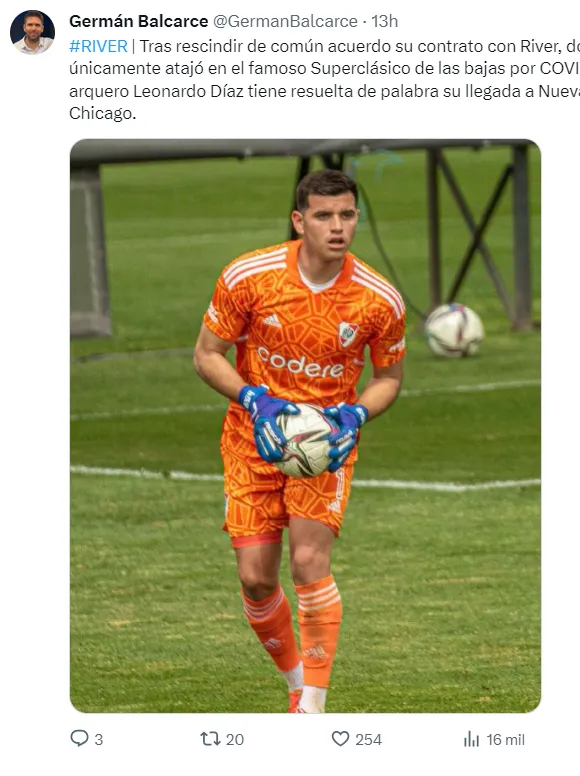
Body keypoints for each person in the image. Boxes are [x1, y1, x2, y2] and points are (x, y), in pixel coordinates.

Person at [194, 169, 406, 713]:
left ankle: (312, 704)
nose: (337, 227)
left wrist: (355, 414)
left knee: (309, 562)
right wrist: (253, 399)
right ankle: (295, 683)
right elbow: (207, 354)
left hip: (325, 447)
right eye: (323, 215)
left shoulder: (379, 299)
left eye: (347, 215)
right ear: (299, 220)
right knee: (255, 579)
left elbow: (388, 379)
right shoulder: (248, 276)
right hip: (252, 439)